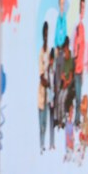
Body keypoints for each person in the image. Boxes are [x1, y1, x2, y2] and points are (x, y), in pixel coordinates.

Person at [73, 0, 86, 127]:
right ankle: (76, 121)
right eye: (81, 7)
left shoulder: (83, 28)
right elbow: (75, 51)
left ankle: (78, 120)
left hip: (81, 68)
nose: (83, 10)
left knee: (80, 96)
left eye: (84, 8)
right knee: (77, 97)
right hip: (76, 69)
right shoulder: (77, 28)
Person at [38, 21, 50, 155]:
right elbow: (41, 74)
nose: (46, 36)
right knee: (41, 120)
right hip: (42, 90)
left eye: (47, 33)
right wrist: (47, 82)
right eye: (44, 33)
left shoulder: (49, 50)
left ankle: (44, 144)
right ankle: (40, 144)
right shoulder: (41, 52)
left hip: (49, 92)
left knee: (46, 121)